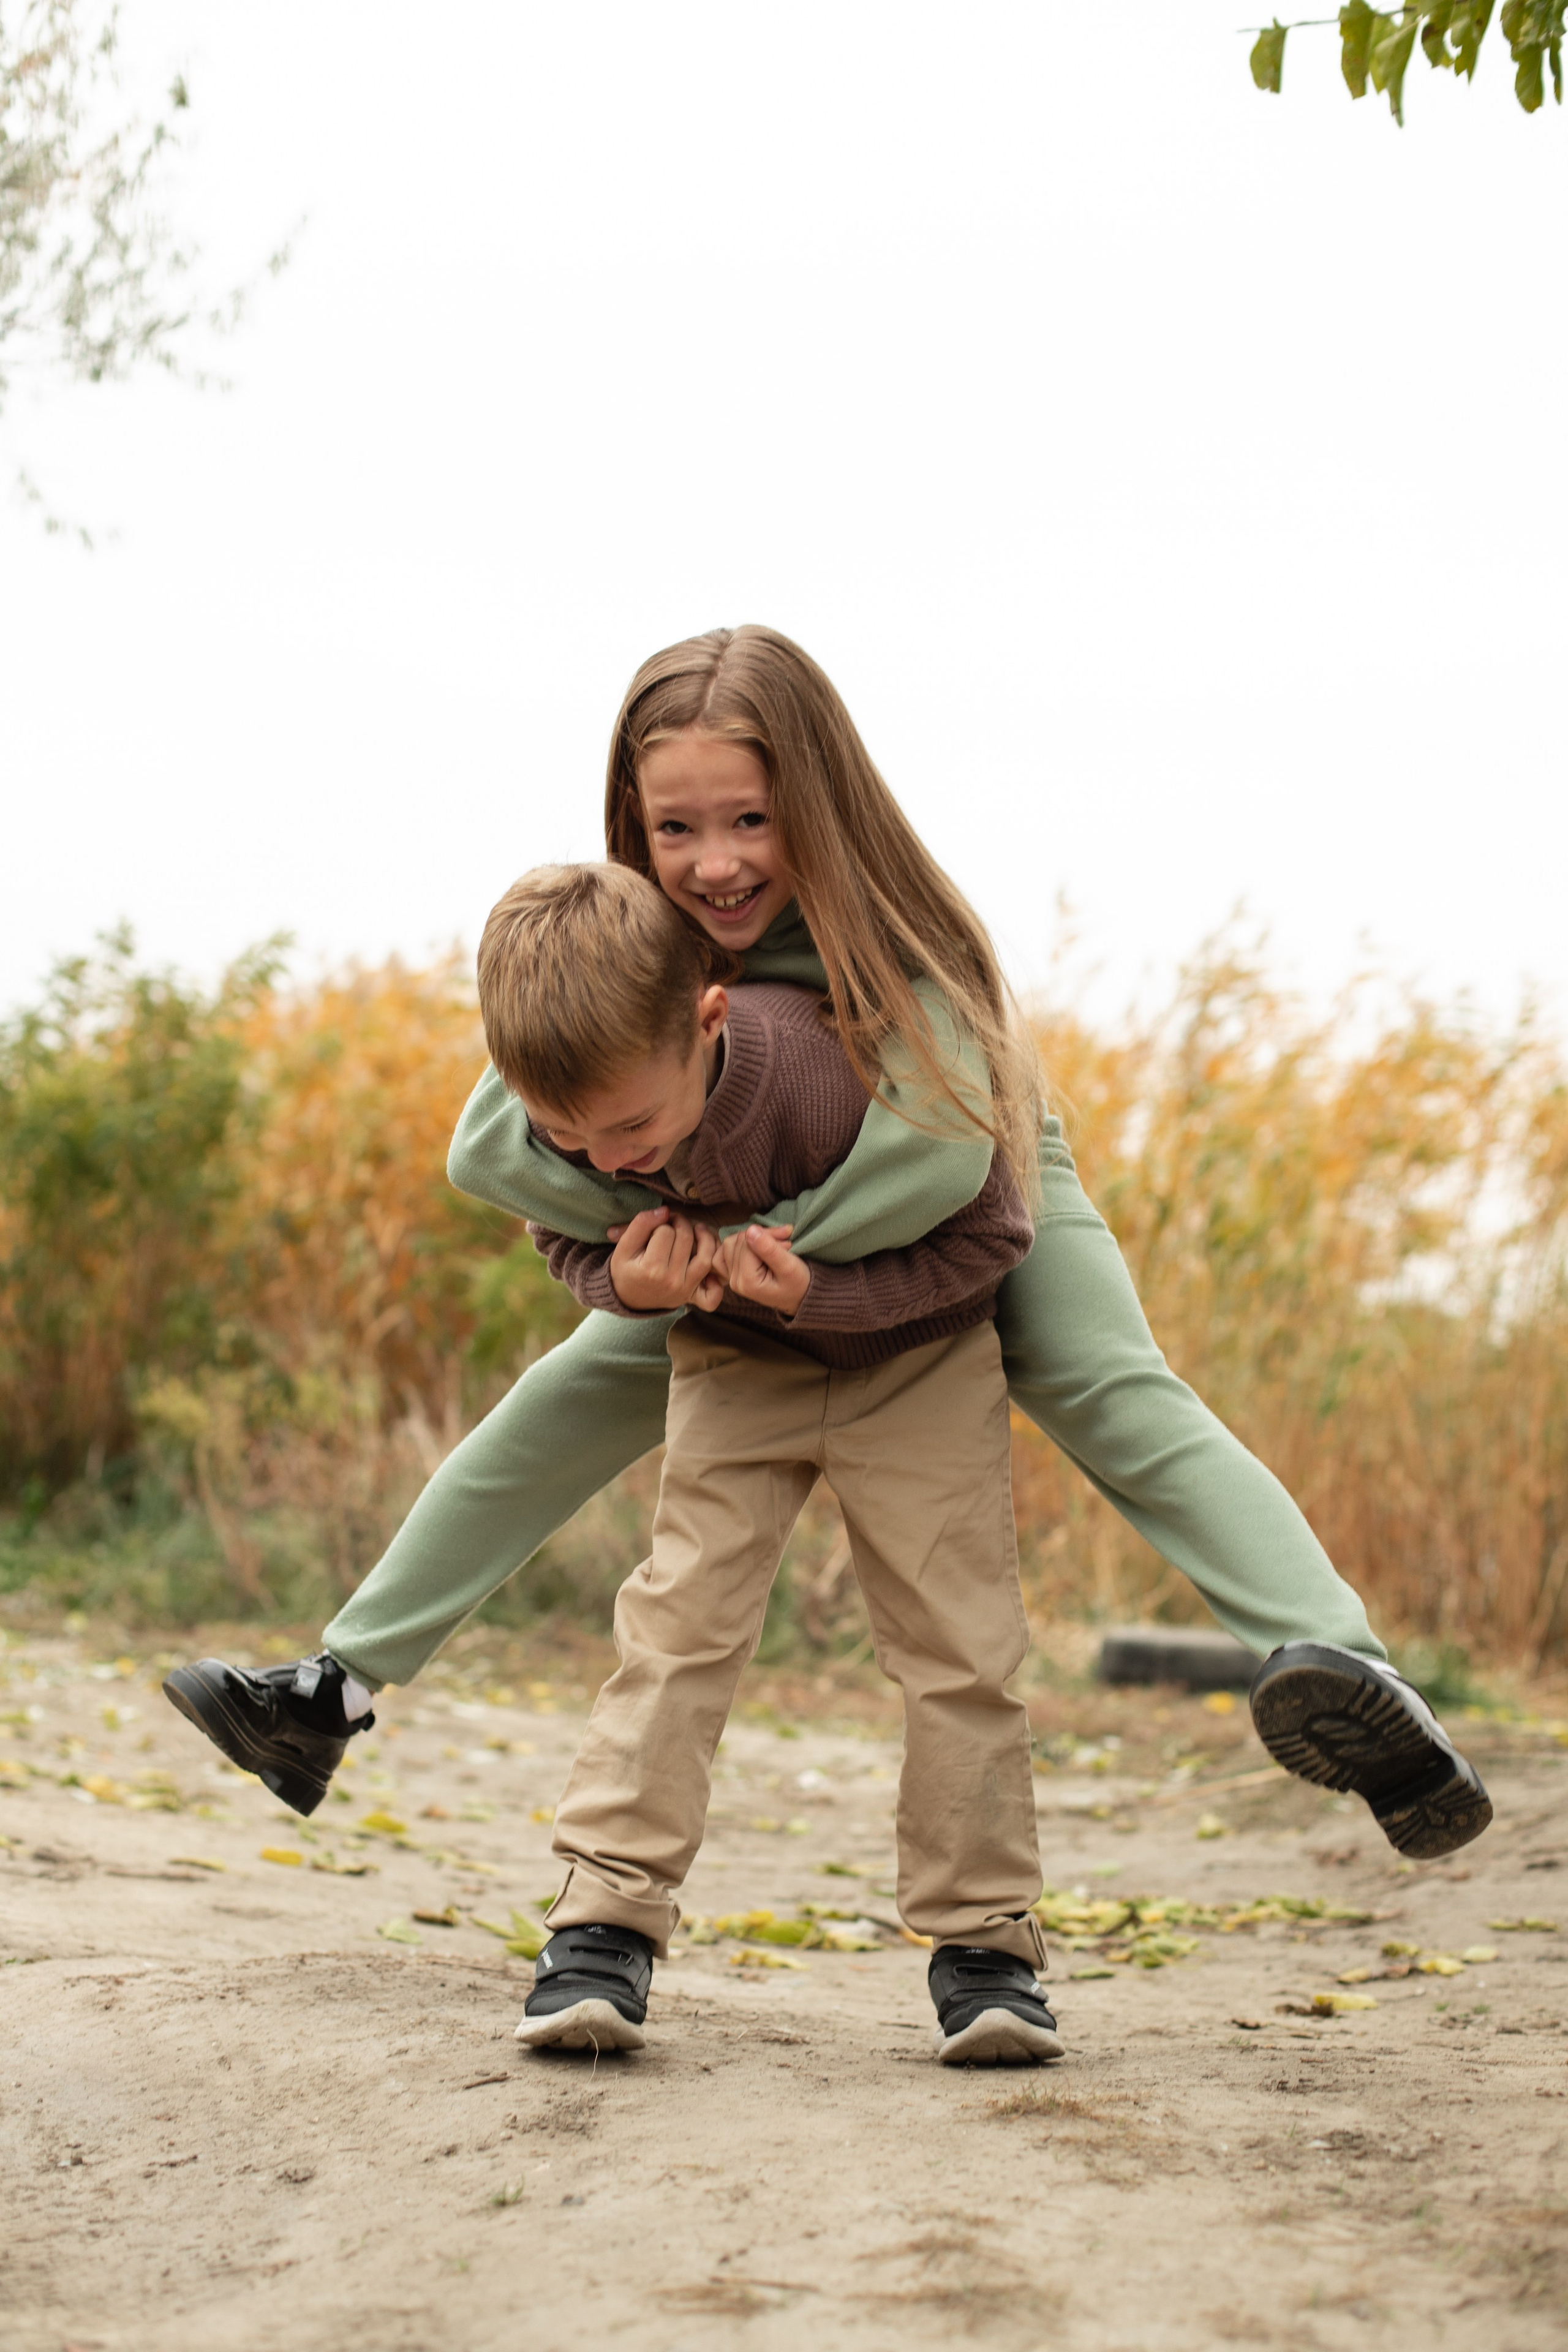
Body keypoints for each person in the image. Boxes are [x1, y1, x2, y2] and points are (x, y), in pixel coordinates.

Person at [163, 625, 1491, 1870]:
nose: (714, 861)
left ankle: (1351, 1674)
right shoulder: (638, 944)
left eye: (750, 820)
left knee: (1110, 1386)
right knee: (563, 1398)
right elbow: (506, 1145)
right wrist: (637, 1260)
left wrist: (779, 1257)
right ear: (633, 825)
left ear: (816, 801)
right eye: (673, 827)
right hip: (727, 1220)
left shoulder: (900, 931)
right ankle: (329, 1691)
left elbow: (938, 1163)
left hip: (974, 1185)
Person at [470, 861, 1057, 2063]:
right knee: (678, 1626)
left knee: (959, 1645)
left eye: (631, 1129)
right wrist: (616, 1282)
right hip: (735, 1364)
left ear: (709, 1019)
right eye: (571, 1136)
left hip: (917, 1360)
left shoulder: (827, 1071)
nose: (612, 1159)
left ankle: (985, 1950)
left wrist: (829, 1292)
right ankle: (601, 1923)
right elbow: (560, 1226)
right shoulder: (588, 1119)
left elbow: (992, 1233)